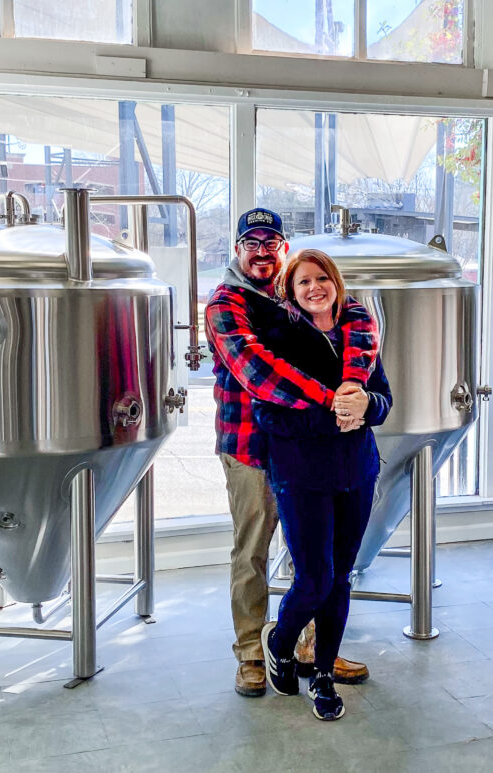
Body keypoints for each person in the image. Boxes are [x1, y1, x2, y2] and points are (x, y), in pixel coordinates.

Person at [205, 208, 378, 698]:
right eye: (252, 241)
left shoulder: (295, 297)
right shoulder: (226, 302)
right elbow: (257, 370)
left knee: (315, 558)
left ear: (283, 248)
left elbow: (352, 330)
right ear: (237, 249)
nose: (262, 250)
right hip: (251, 449)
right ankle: (251, 656)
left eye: (272, 241)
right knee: (253, 553)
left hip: (306, 452)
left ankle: (311, 647)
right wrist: (335, 401)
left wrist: (356, 390)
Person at [255, 249, 392, 721]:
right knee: (313, 580)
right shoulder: (280, 339)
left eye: (322, 278)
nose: (314, 287)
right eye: (303, 282)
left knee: (339, 580)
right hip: (302, 477)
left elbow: (384, 401)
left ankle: (325, 675)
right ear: (291, 292)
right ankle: (281, 639)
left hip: (357, 473)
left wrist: (366, 406)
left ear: (335, 282)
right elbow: (267, 413)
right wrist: (334, 416)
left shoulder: (359, 338)